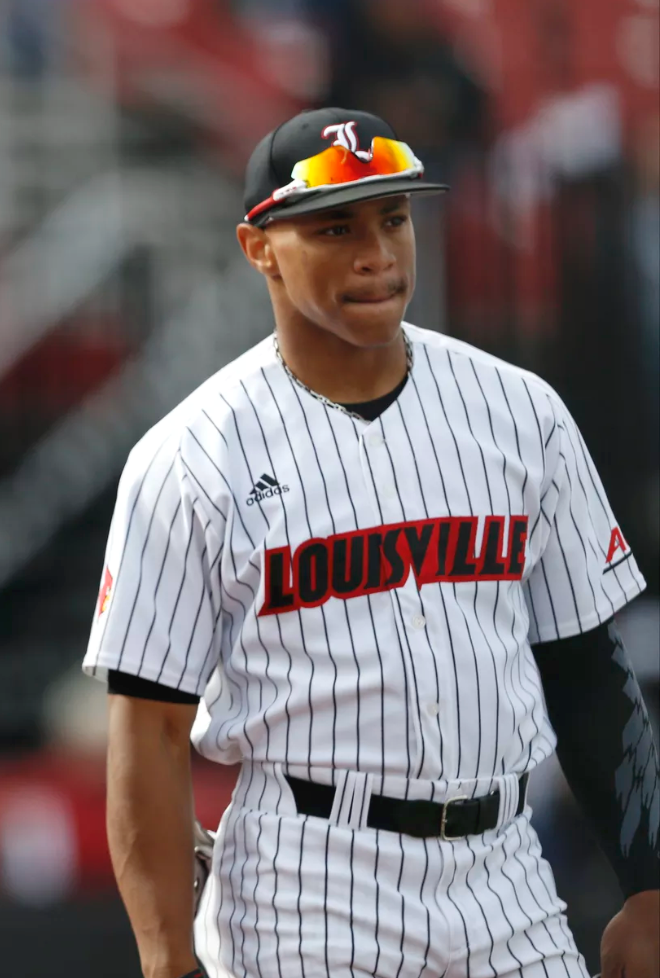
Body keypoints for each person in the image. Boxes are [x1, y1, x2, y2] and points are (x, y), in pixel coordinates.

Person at [85, 107, 658, 978]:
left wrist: (650, 883)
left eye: (393, 218)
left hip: (505, 869)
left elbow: (586, 668)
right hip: (309, 882)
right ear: (260, 247)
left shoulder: (521, 413)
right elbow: (151, 735)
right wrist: (168, 960)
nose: (376, 253)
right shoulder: (191, 456)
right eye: (335, 226)